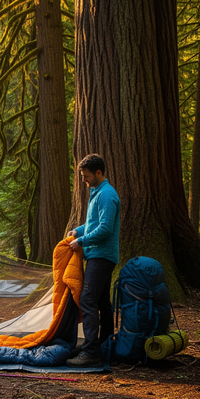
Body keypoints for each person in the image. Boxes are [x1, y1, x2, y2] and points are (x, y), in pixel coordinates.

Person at [65, 154, 120, 368]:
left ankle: (90, 353)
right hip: (98, 254)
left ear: (98, 172)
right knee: (102, 302)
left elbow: (105, 229)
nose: (83, 180)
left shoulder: (107, 195)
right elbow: (93, 224)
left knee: (87, 300)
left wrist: (81, 241)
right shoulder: (97, 192)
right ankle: (105, 347)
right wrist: (78, 231)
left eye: (86, 176)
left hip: (102, 255)